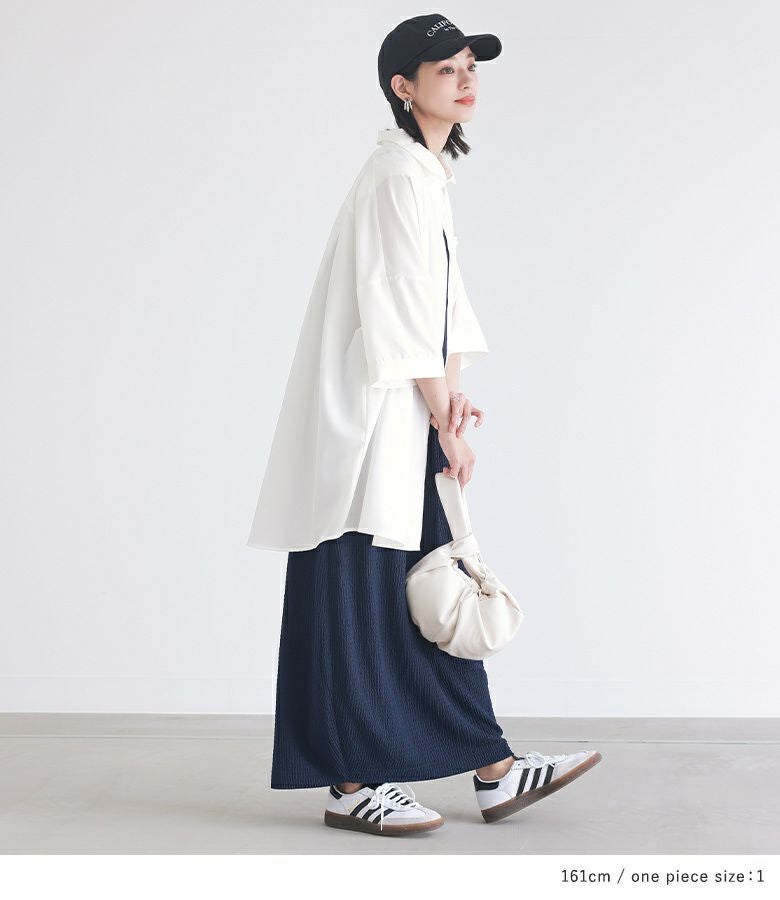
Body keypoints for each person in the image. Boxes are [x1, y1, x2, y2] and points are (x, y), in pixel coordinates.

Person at [246, 14, 602, 836]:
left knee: (427, 592)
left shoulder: (425, 175)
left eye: (471, 65)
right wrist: (445, 414)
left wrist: (450, 394)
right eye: (447, 68)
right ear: (403, 87)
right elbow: (398, 308)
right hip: (367, 427)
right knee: (359, 592)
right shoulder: (396, 176)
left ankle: (493, 769)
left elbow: (435, 305)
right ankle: (352, 784)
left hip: (397, 416)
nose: (467, 78)